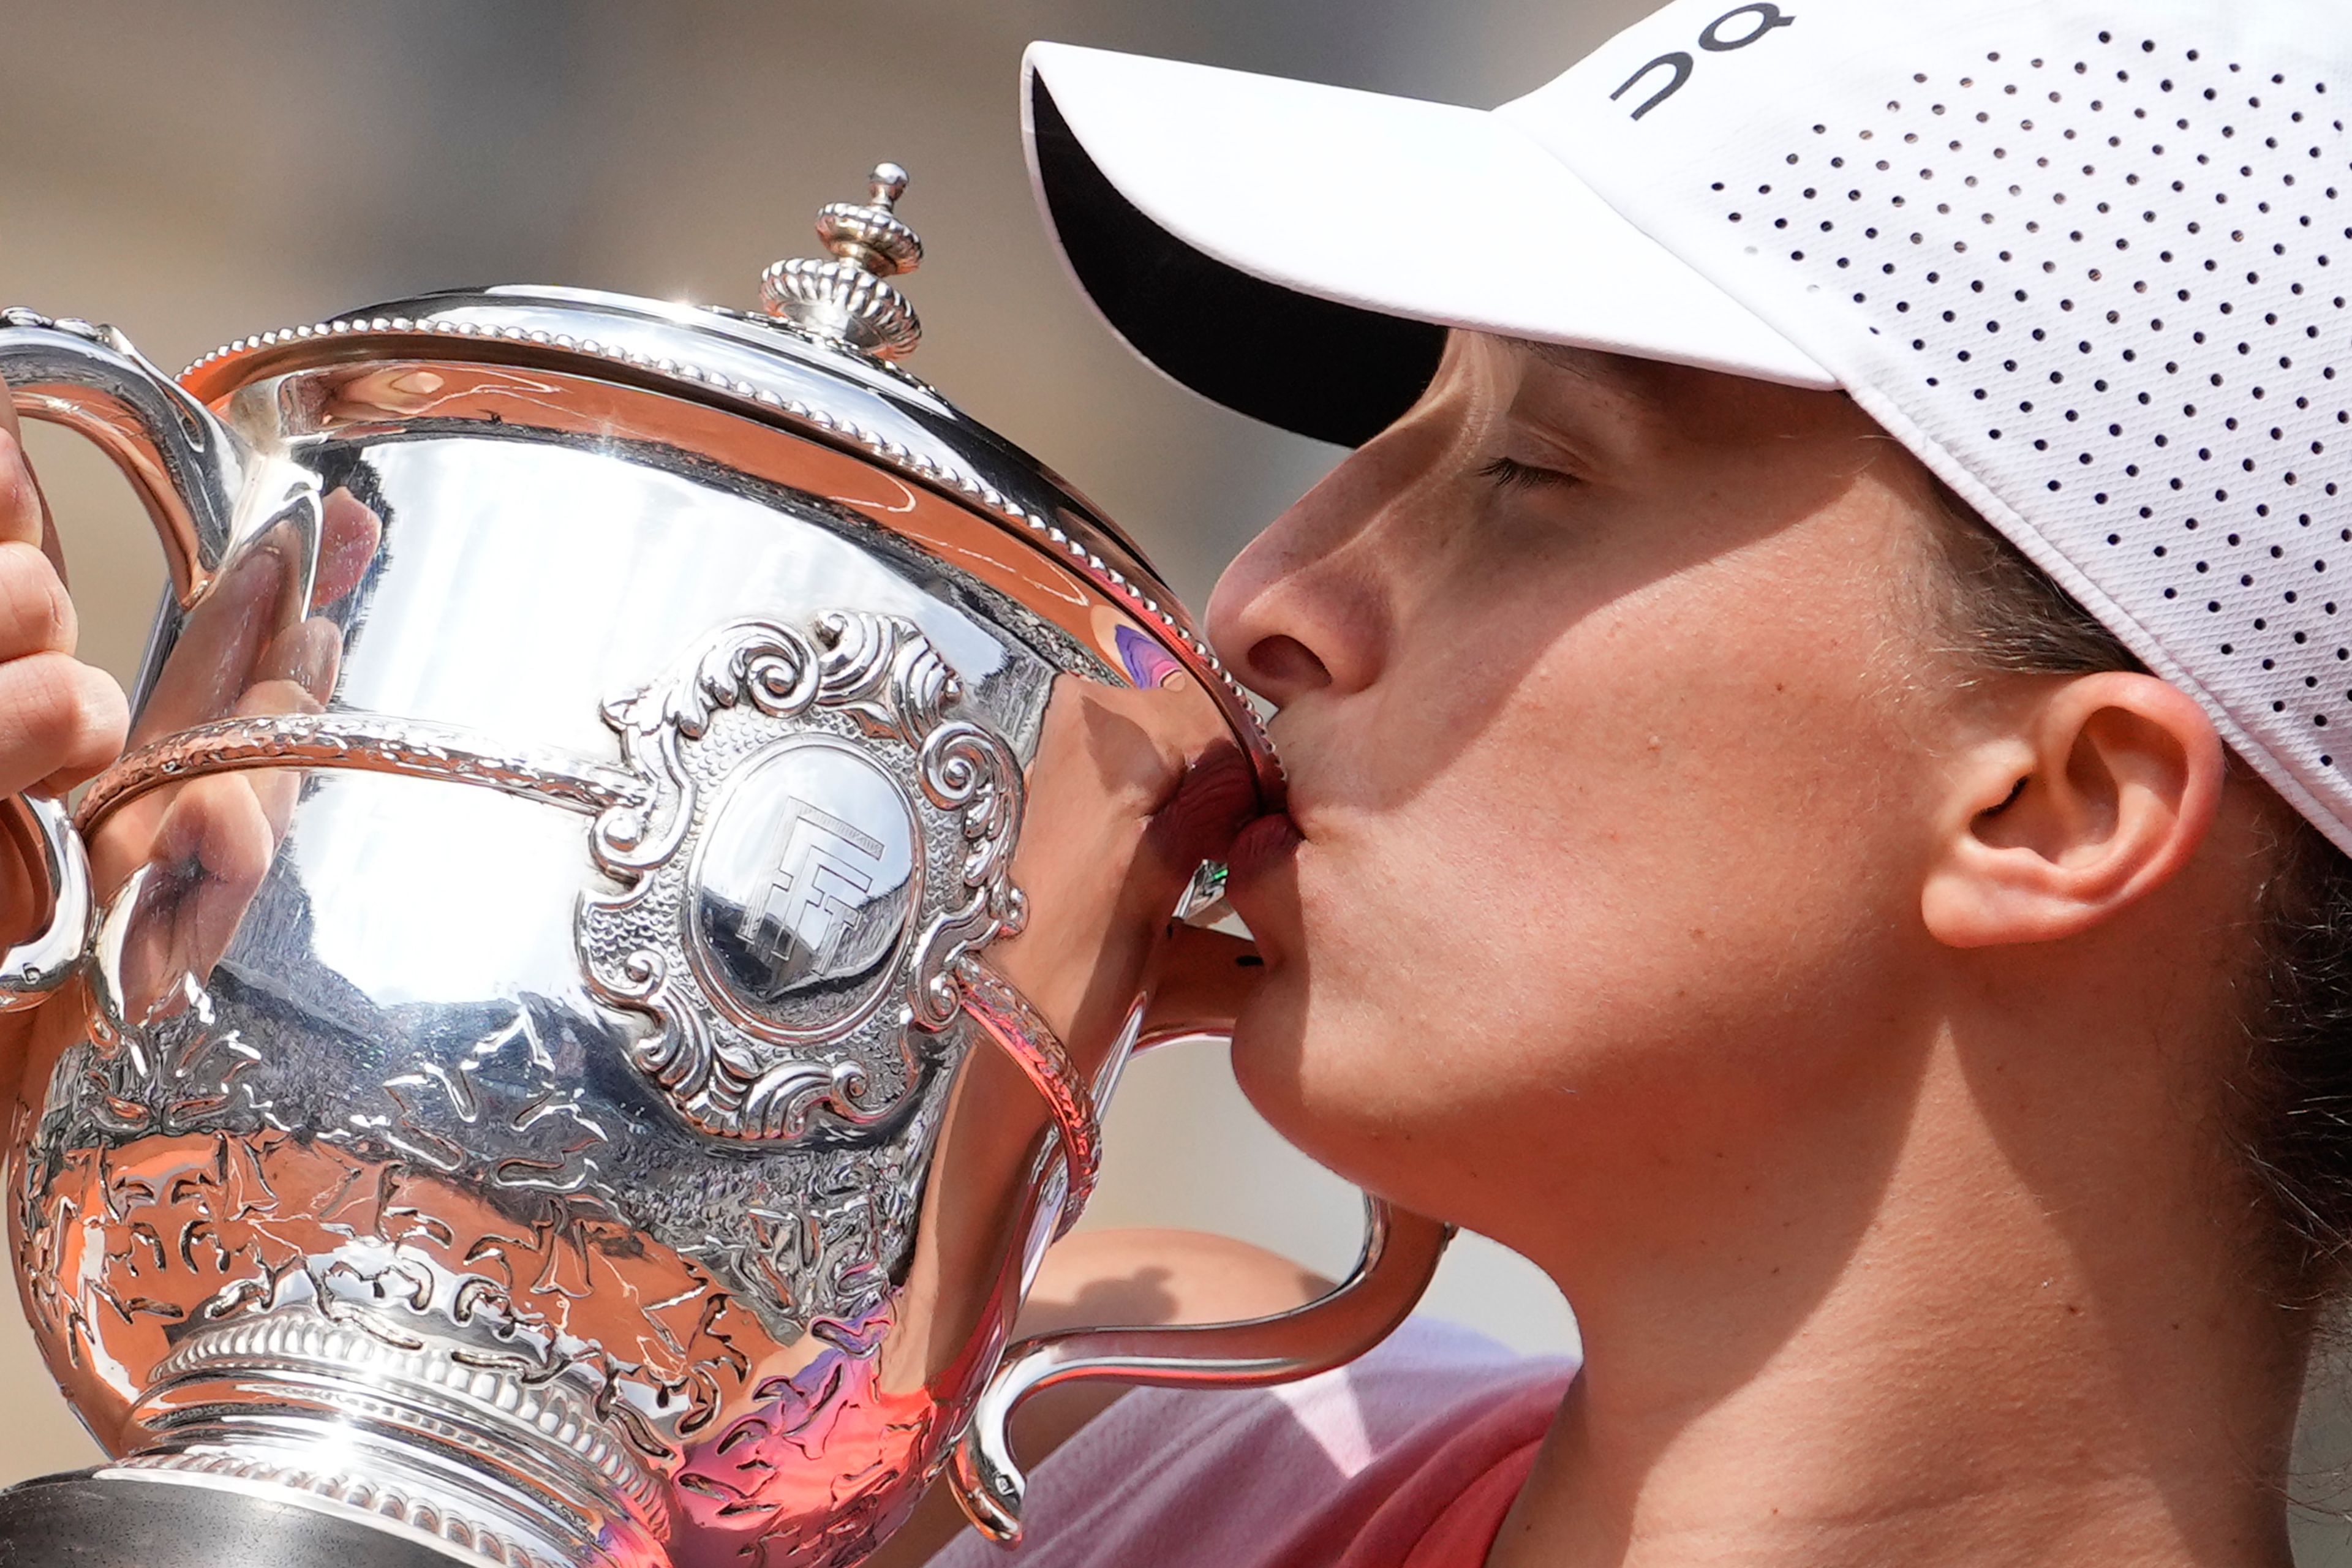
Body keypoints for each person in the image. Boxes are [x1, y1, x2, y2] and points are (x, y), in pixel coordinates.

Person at [4, 4, 2350, 1568]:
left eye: (1535, 475)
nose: (1272, 597)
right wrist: (94, 1063)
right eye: (1376, 446)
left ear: (2059, 808)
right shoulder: (1092, 1434)